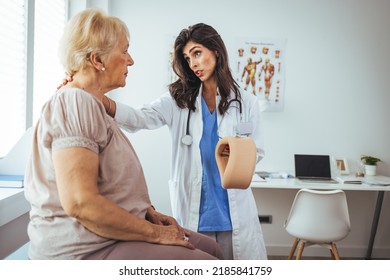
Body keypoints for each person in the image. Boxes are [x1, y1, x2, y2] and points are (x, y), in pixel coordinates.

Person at [24, 9, 223, 260]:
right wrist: (156, 233)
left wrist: (147, 211)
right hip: (86, 247)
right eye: (125, 50)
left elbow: (110, 181)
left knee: (213, 249)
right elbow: (80, 202)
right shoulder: (76, 102)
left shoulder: (91, 104)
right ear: (98, 60)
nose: (131, 61)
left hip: (108, 236)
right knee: (212, 263)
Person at [103, 23, 268, 260]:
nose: (194, 64)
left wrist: (235, 154)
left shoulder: (246, 102)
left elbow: (257, 150)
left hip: (233, 210)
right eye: (188, 58)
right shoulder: (178, 99)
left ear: (216, 51)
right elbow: (142, 118)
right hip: (196, 209)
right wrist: (103, 102)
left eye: (198, 53)